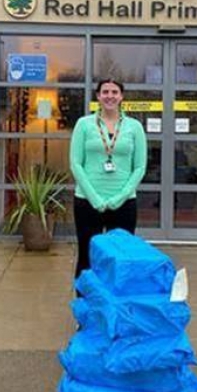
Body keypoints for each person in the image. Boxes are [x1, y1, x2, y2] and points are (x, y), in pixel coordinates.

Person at [69, 78, 147, 280]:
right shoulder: (83, 124)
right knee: (87, 255)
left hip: (124, 203)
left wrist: (120, 197)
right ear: (98, 96)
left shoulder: (134, 127)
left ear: (121, 96)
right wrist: (95, 198)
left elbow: (139, 167)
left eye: (114, 92)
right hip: (87, 202)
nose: (110, 96)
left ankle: (115, 306)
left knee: (120, 257)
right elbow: (76, 164)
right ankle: (86, 305)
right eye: (105, 92)